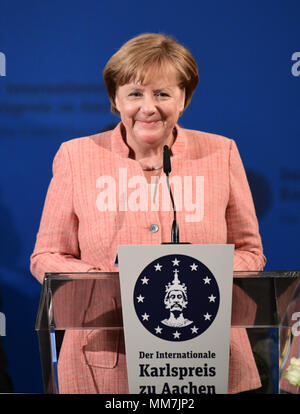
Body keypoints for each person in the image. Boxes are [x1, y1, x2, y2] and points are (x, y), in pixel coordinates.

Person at [30, 33, 266, 394]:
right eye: (135, 94)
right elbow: (46, 256)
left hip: (203, 356)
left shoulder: (222, 153)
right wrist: (110, 281)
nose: (148, 107)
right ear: (115, 99)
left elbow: (251, 251)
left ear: (183, 98)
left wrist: (204, 276)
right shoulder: (76, 157)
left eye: (163, 93)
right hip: (106, 361)